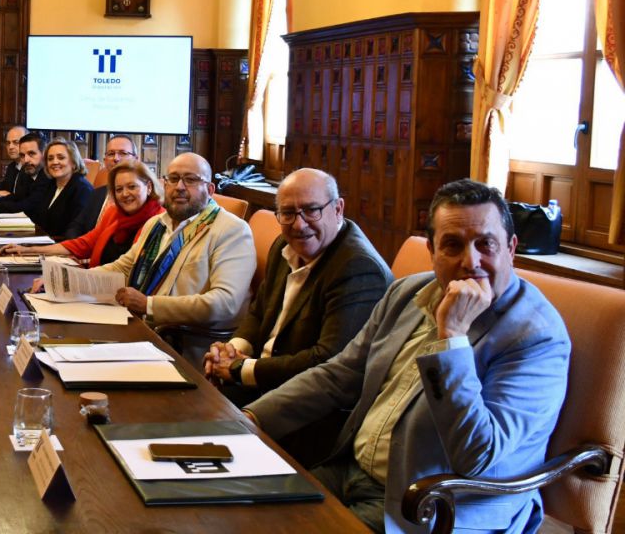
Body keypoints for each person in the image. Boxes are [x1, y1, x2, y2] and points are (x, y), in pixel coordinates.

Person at [244, 179, 571, 532]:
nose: (470, 261)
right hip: (350, 471)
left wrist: (452, 339)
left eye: (485, 244)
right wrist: (251, 419)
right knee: (244, 511)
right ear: (432, 251)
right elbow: (340, 374)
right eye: (452, 245)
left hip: (432, 505)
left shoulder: (535, 337)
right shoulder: (408, 292)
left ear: (511, 248)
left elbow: (476, 455)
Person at [203, 168, 391, 464]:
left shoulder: (358, 268)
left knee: (201, 430)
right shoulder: (285, 244)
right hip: (262, 384)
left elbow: (327, 361)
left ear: (338, 209)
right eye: (288, 213)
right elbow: (259, 311)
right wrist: (233, 349)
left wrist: (240, 369)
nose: (299, 224)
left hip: (311, 415)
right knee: (181, 413)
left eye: (311, 210)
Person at [91, 153, 255, 361]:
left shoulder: (231, 230)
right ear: (164, 184)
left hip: (182, 346)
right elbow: (123, 267)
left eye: (191, 179)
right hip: (135, 327)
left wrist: (149, 305)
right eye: (173, 179)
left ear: (210, 189)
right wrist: (68, 279)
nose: (179, 187)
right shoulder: (157, 223)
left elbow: (225, 303)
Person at [0, 159, 162, 267]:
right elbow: (84, 243)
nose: (125, 194)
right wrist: (27, 250)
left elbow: (127, 269)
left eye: (132, 187)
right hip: (97, 286)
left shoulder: (158, 221)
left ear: (148, 187)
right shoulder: (114, 213)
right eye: (119, 189)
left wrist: (74, 278)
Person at [0, 138, 92, 239]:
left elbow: (76, 234)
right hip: (40, 239)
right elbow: (36, 215)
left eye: (61, 157)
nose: (55, 162)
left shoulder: (82, 189)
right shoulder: (52, 184)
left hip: (58, 245)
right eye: (50, 159)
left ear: (74, 162)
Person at [63, 134, 137, 239]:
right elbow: (76, 226)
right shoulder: (96, 194)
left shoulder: (138, 196)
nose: (116, 158)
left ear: (135, 159)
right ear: (105, 160)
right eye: (111, 154)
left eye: (123, 153)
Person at [0, 132, 47, 212]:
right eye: (22, 155)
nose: (26, 160)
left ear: (44, 154)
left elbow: (26, 205)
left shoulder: (47, 177)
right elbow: (17, 197)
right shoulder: (26, 172)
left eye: (31, 154)